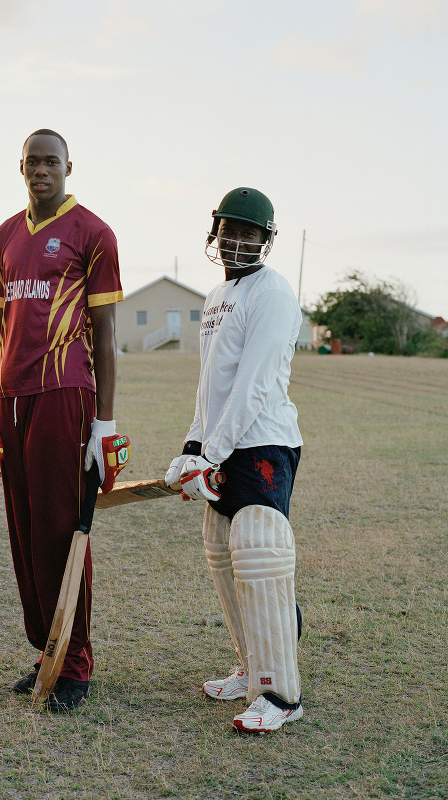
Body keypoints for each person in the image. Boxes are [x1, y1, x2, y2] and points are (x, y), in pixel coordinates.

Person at [0, 129, 127, 712]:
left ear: (68, 167)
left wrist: (104, 425)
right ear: (21, 166)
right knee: (25, 530)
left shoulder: (94, 233)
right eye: (32, 161)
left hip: (65, 393)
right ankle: (46, 650)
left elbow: (107, 335)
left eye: (51, 161)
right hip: (13, 398)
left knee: (62, 529)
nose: (41, 169)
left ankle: (75, 664)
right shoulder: (5, 235)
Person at [165, 187, 304, 733]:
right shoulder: (218, 295)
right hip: (226, 443)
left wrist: (214, 452)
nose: (238, 241)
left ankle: (279, 696)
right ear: (215, 231)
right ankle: (252, 671)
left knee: (258, 551)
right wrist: (192, 450)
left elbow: (254, 383)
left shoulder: (273, 294)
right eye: (231, 229)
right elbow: (212, 387)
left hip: (265, 441)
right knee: (224, 551)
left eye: (251, 233)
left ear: (266, 241)